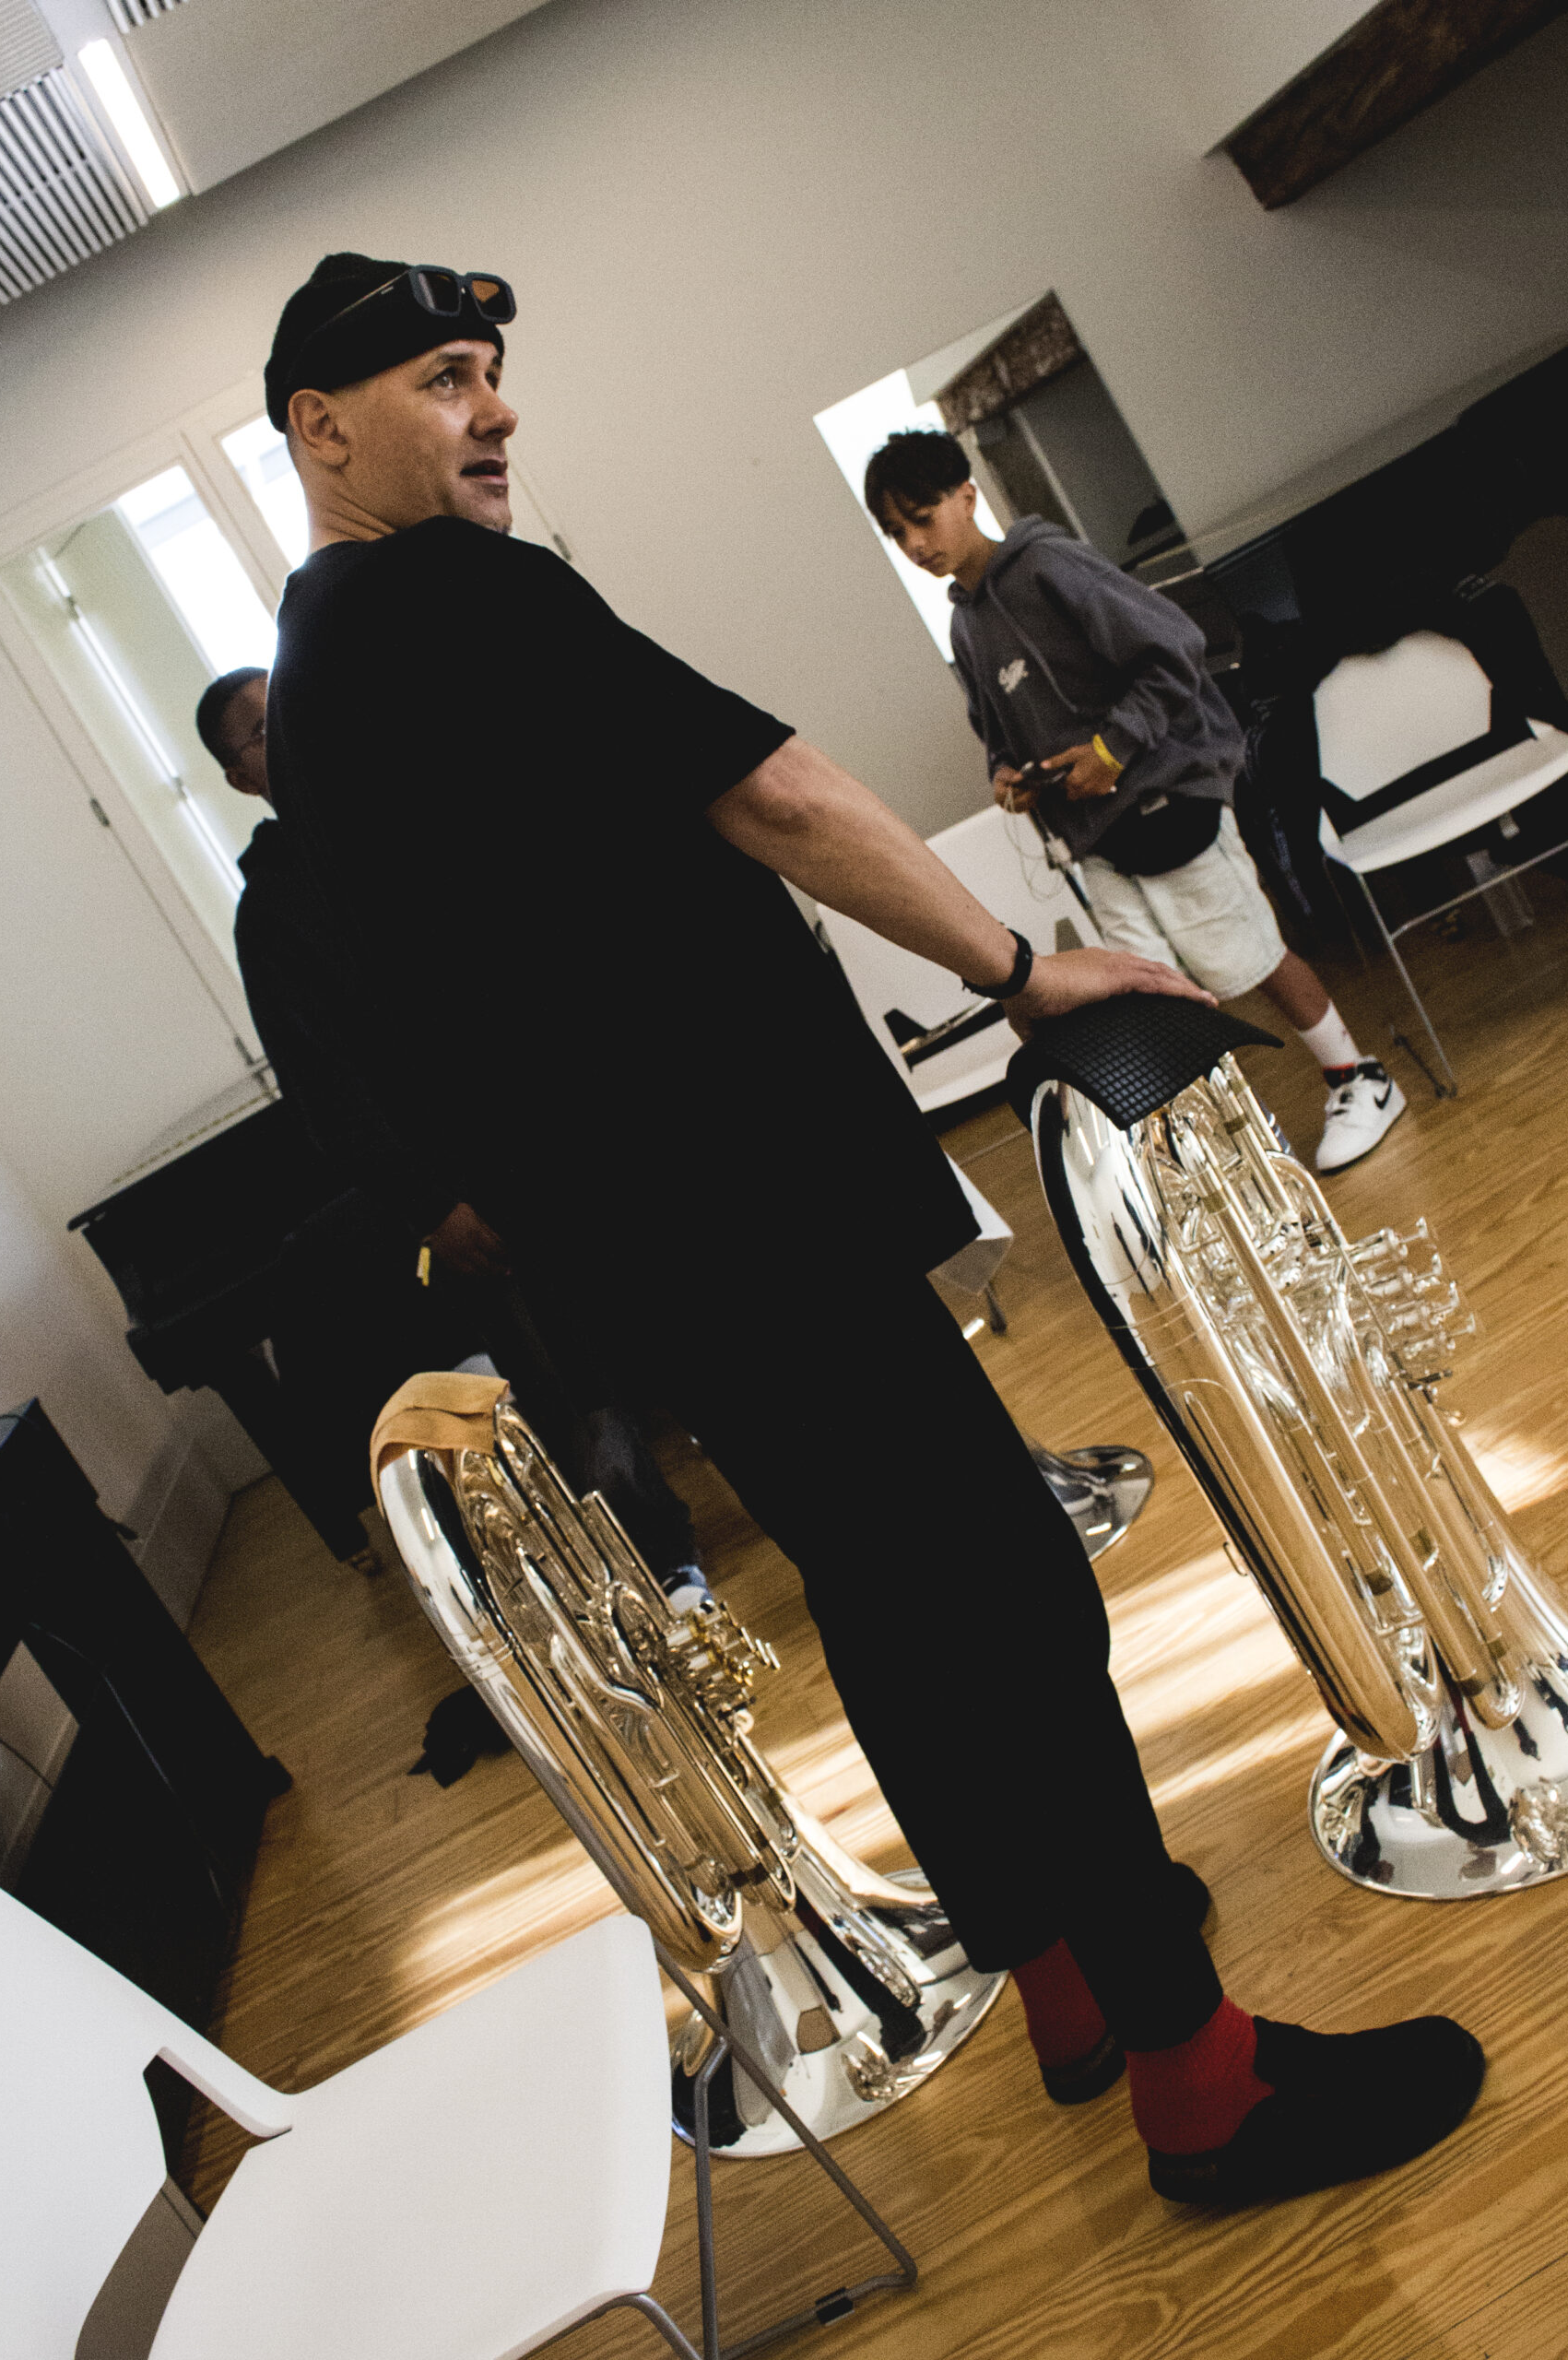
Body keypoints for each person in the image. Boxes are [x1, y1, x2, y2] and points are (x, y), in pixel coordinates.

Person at [256, 251, 1484, 2207]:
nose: (495, 410)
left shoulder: (321, 668)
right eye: (443, 382)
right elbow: (773, 791)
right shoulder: (458, 593)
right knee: (1006, 1593)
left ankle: (1067, 1978)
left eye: (490, 370)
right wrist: (1017, 964)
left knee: (894, 1599)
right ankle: (1205, 2077)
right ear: (322, 429)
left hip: (650, 1242)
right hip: (751, 1200)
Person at [195, 662, 711, 1616]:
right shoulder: (269, 916)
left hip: (550, 1130)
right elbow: (325, 1088)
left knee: (655, 1314)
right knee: (564, 1378)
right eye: (263, 729)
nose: (291, 730)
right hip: (467, 1180)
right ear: (239, 777)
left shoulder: (390, 821)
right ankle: (663, 1566)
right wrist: (429, 1204)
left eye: (290, 706)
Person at [863, 430, 1407, 1177]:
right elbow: (996, 732)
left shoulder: (1050, 565)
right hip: (1096, 839)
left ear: (967, 496)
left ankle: (1358, 1079)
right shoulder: (965, 623)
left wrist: (1113, 750)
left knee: (1246, 953)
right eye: (896, 533)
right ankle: (1220, 1149)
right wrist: (1006, 776)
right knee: (1145, 989)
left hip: (1171, 799)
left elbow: (1176, 646)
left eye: (922, 518)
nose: (915, 544)